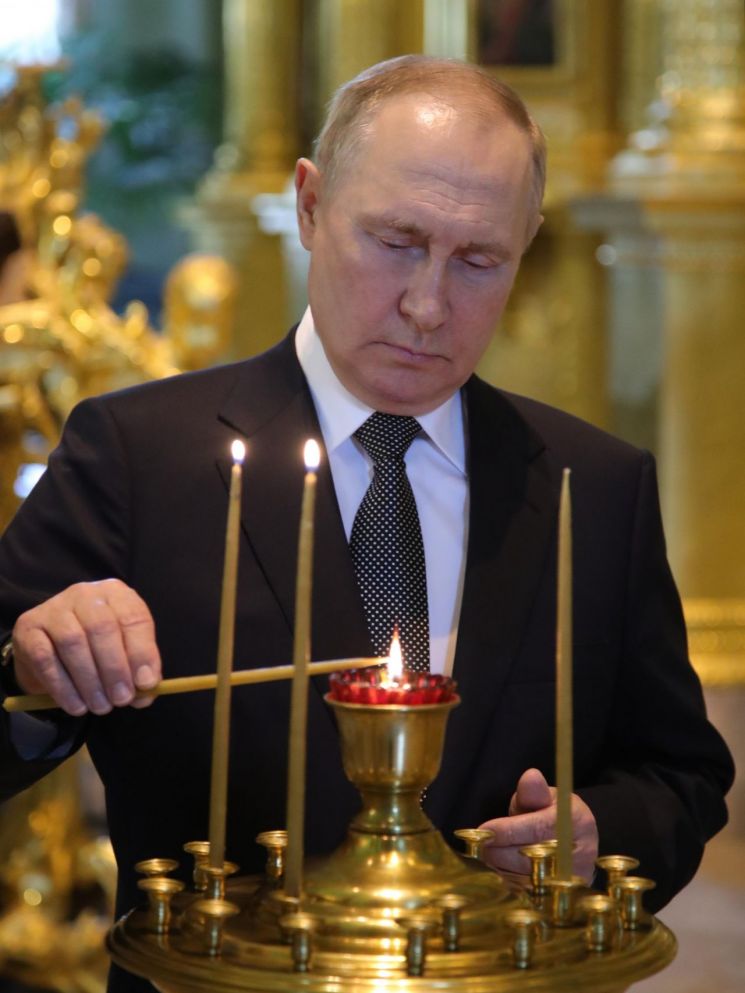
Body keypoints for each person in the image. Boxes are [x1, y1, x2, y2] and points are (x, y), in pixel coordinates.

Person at [0, 55, 733, 993]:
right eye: (395, 241)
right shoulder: (138, 454)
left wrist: (598, 834)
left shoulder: (592, 483)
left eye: (479, 261)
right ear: (310, 205)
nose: (428, 306)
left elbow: (678, 776)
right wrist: (35, 664)